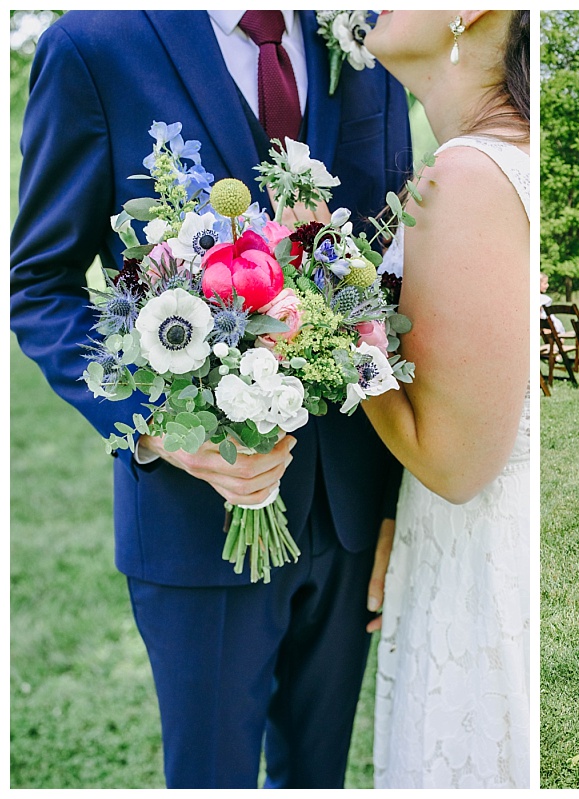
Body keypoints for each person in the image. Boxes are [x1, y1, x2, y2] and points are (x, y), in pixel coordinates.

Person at [10, 10, 409, 789]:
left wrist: (400, 503)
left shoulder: (371, 40)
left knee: (318, 777)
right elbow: (40, 286)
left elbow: (393, 271)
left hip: (352, 510)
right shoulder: (95, 47)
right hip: (196, 525)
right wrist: (160, 430)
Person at [358, 10, 531, 789]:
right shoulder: (501, 161)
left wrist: (338, 334)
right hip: (462, 534)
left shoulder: (465, 177)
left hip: (478, 561)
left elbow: (455, 465)